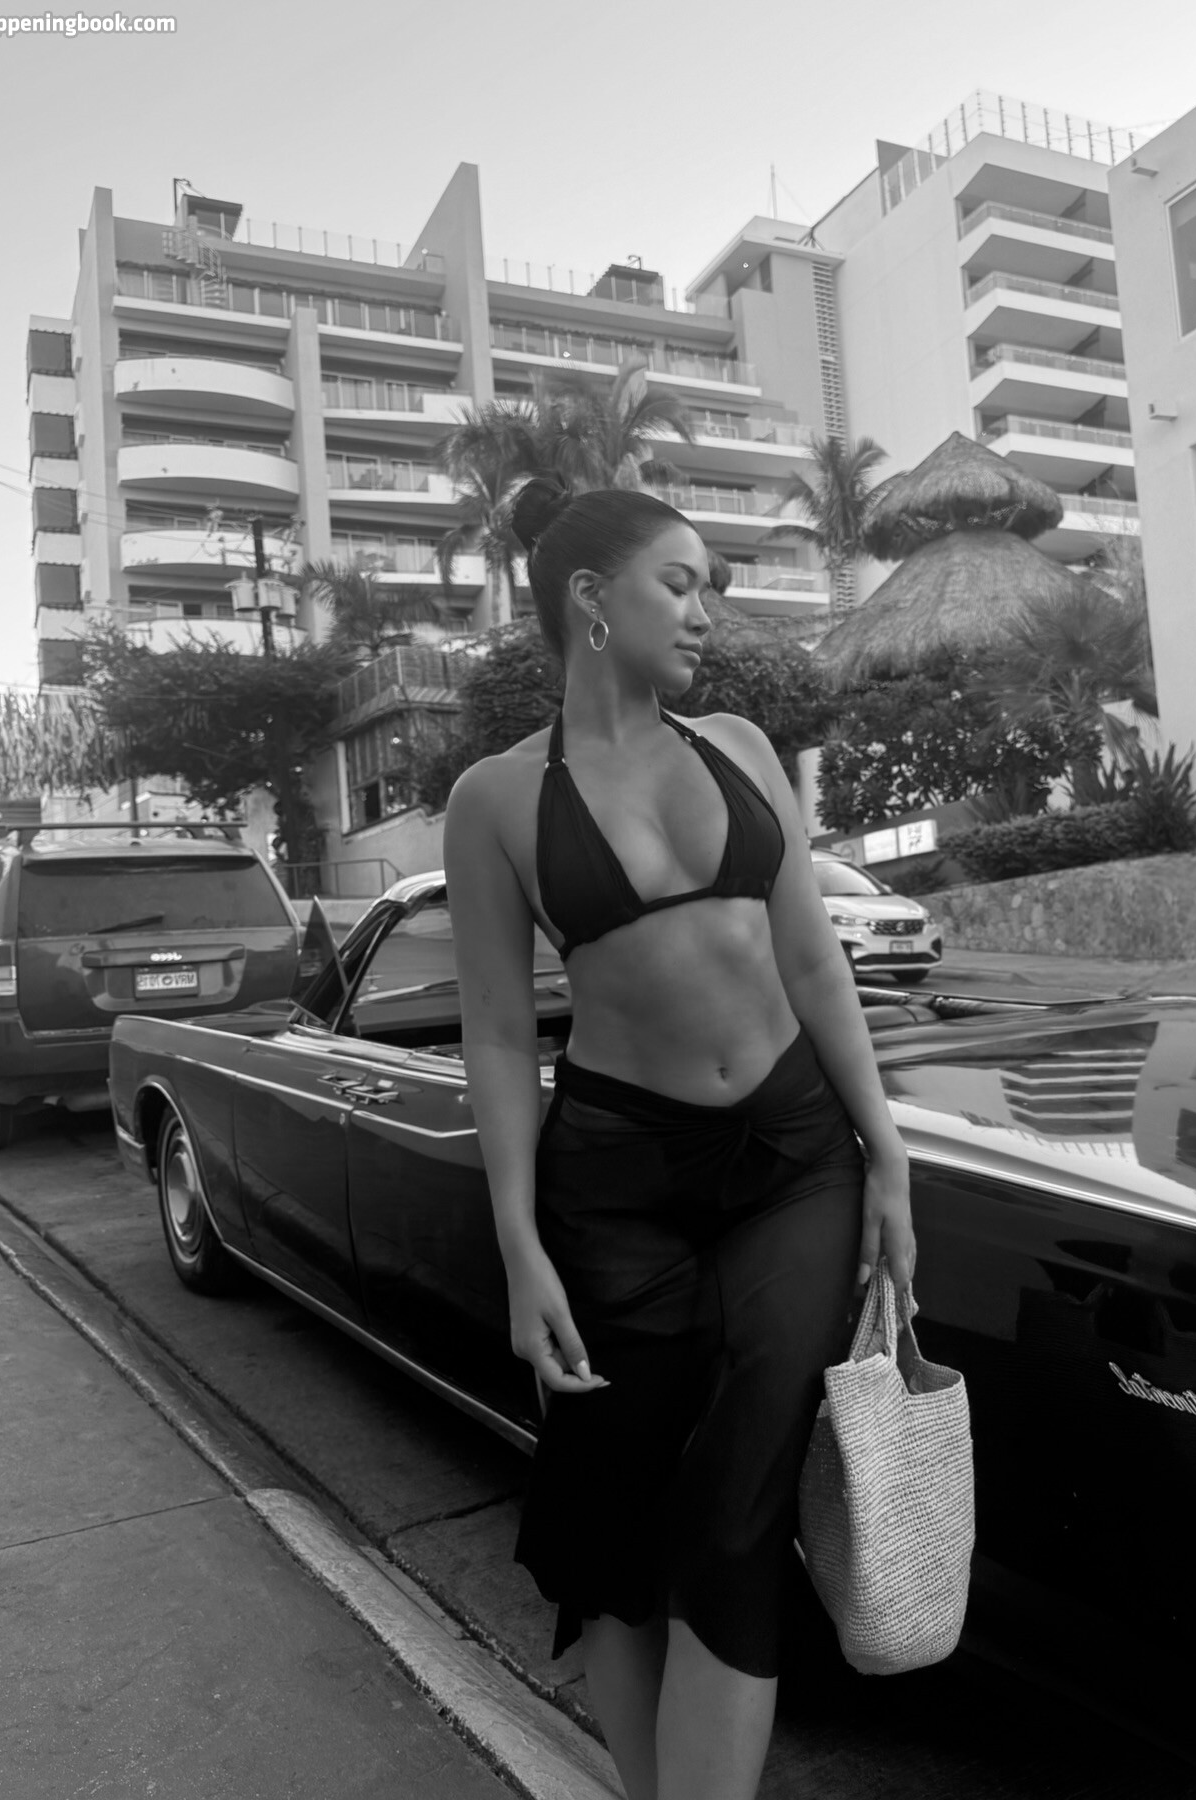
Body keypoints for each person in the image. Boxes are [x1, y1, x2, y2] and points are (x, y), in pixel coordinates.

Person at [443, 477, 915, 1800]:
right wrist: (520, 1243)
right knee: (614, 1517)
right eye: (681, 582)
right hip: (618, 1182)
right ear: (593, 599)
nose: (706, 612)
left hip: (792, 1160)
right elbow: (498, 1033)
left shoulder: (741, 747)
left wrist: (884, 1153)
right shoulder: (496, 800)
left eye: (710, 586)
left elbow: (815, 966)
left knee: (738, 1504)